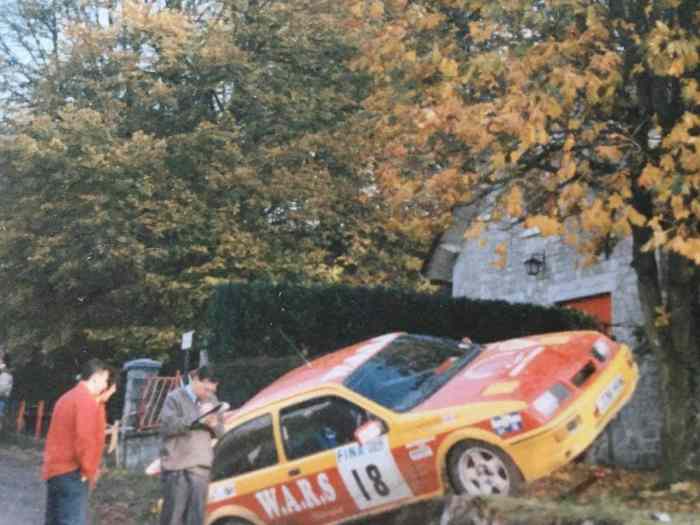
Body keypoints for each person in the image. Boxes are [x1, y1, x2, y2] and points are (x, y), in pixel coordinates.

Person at [42, 359, 112, 525]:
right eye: (105, 380)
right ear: (95, 377)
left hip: (54, 472)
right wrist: (89, 472)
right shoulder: (86, 401)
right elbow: (85, 440)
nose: (105, 385)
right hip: (73, 473)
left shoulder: (66, 398)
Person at [159, 365, 225, 525]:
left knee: (196, 520)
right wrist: (198, 417)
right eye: (206, 389)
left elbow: (222, 433)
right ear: (195, 380)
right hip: (176, 468)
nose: (209, 394)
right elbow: (167, 427)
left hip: (201, 467)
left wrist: (215, 424)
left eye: (212, 391)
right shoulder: (174, 398)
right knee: (173, 519)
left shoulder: (213, 402)